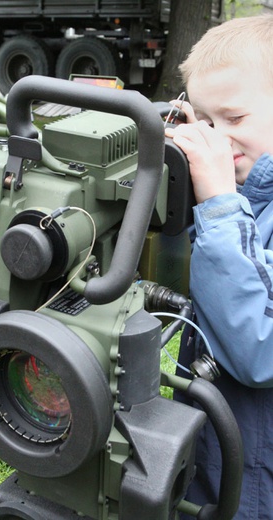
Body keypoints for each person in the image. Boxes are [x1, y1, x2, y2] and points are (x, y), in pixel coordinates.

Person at [165, 14, 273, 519]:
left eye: (234, 119)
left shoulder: (226, 202)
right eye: (204, 122)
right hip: (220, 457)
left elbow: (261, 349)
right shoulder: (234, 195)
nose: (217, 139)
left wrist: (219, 205)